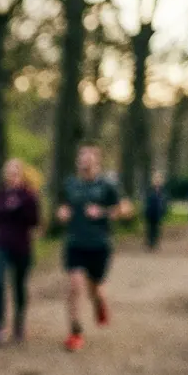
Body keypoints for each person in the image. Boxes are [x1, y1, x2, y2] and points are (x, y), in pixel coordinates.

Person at [56, 144, 123, 352]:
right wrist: (62, 213)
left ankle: (99, 304)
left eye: (89, 158)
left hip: (99, 245)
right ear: (78, 162)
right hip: (75, 243)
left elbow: (124, 209)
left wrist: (102, 212)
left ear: (97, 162)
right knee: (75, 286)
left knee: (95, 290)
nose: (85, 161)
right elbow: (63, 205)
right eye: (82, 157)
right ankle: (75, 333)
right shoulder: (70, 184)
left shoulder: (107, 185)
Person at [0, 158, 40, 345]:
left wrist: (18, 208)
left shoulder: (28, 196)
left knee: (18, 286)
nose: (12, 175)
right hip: (0, 244)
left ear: (21, 174)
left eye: (15, 171)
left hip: (21, 246)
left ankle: (19, 322)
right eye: (9, 171)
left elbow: (34, 220)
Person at [143, 171, 167, 251]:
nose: (157, 180)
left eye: (158, 179)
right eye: (156, 178)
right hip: (150, 211)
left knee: (156, 228)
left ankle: (155, 242)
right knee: (149, 228)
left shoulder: (162, 190)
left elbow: (164, 200)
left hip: (158, 212)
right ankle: (150, 243)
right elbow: (146, 200)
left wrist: (163, 209)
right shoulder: (149, 189)